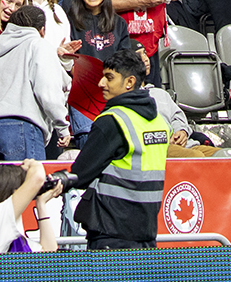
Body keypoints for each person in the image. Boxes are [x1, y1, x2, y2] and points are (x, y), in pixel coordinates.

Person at [64, 44, 168, 250]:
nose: (101, 83)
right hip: (146, 232)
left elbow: (80, 174)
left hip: (111, 232)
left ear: (130, 82)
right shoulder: (159, 122)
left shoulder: (112, 121)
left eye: (109, 77)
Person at [0, 2, 68, 161]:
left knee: (0, 186)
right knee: (27, 184)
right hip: (22, 127)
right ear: (42, 30)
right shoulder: (38, 44)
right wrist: (62, 127)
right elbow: (48, 92)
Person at [0, 158, 66, 253]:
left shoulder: (10, 231)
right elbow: (37, 177)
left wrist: (41, 204)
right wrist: (31, 163)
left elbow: (50, 255)